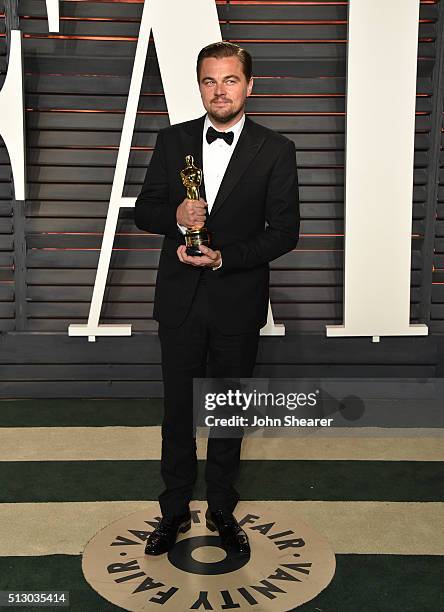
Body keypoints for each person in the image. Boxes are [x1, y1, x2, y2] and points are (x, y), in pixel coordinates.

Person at [134, 41, 300, 556]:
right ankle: (174, 511)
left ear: (249, 86)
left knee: (228, 411)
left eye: (230, 80)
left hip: (236, 300)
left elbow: (285, 233)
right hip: (180, 300)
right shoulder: (172, 141)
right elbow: (145, 211)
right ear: (199, 86)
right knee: (177, 411)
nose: (219, 90)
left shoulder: (276, 149)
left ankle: (223, 509)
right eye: (210, 81)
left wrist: (225, 257)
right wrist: (176, 218)